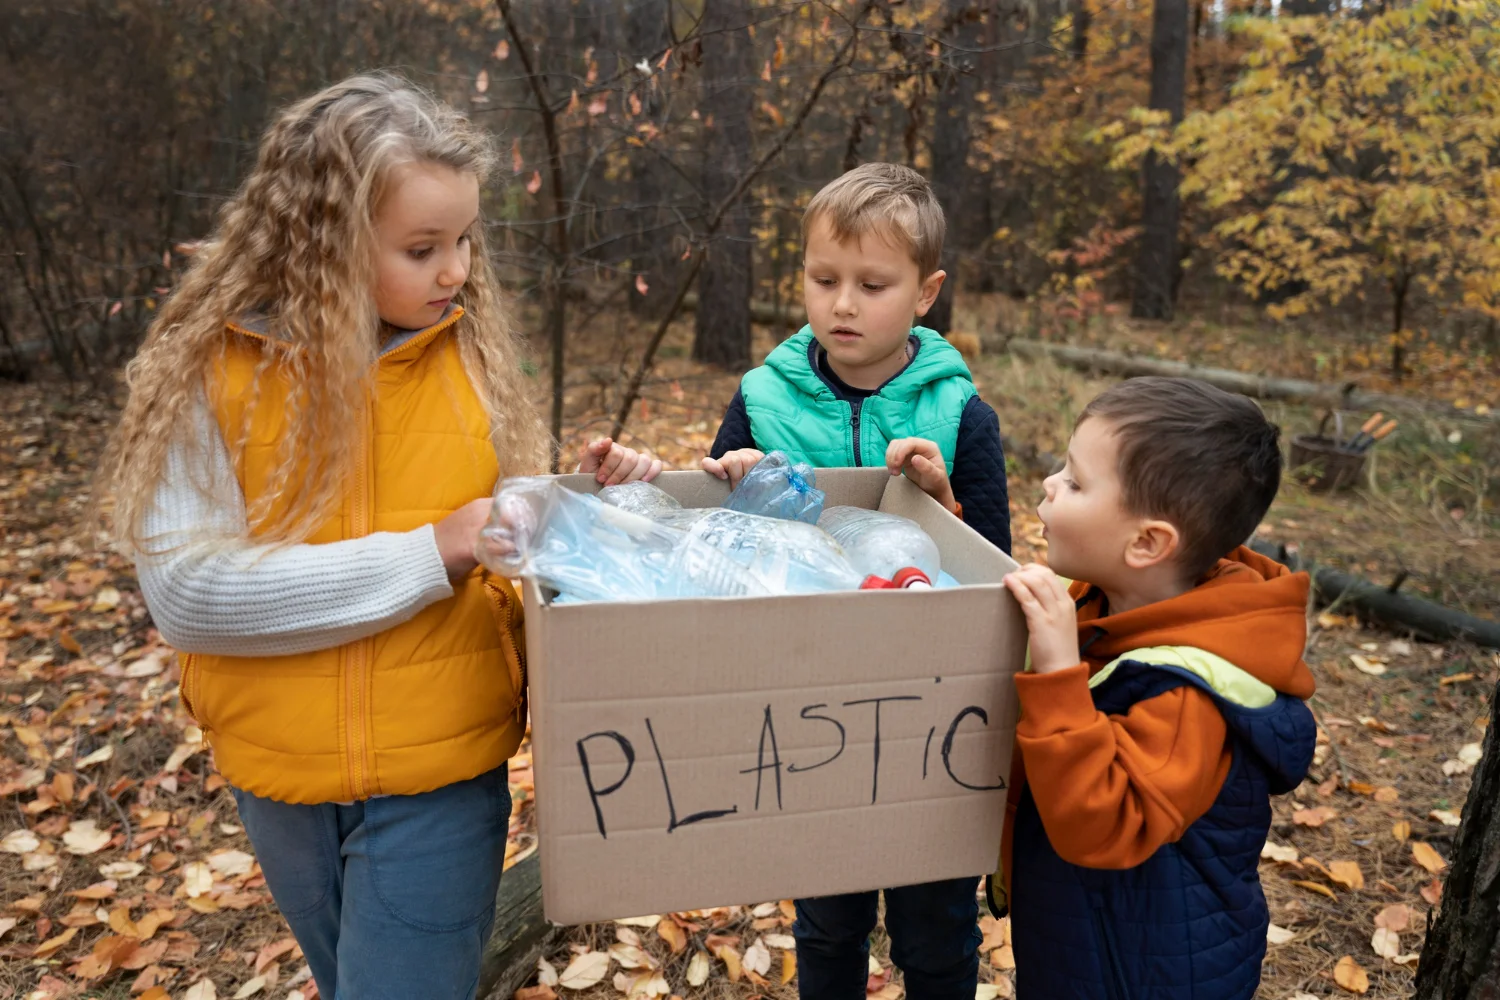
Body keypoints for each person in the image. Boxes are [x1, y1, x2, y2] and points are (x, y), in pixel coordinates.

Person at [100, 73, 655, 1000]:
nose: (457, 272)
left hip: (441, 773)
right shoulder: (211, 372)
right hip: (276, 777)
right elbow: (188, 596)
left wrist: (590, 500)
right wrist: (428, 550)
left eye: (465, 240)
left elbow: (499, 529)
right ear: (320, 243)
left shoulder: (466, 358)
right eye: (422, 247)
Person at [706, 161, 1011, 999]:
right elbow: (718, 548)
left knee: (937, 929)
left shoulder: (959, 416)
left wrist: (940, 500)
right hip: (812, 706)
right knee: (828, 919)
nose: (843, 303)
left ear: (925, 292)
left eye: (872, 284)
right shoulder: (763, 400)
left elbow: (993, 570)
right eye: (823, 278)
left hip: (929, 720)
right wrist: (739, 484)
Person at [997, 376, 1317, 1000]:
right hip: (1083, 939)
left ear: (1146, 543)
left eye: (1075, 480)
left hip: (1151, 973)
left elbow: (1105, 826)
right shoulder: (1111, 600)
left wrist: (1062, 673)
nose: (1048, 484)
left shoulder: (1188, 692)